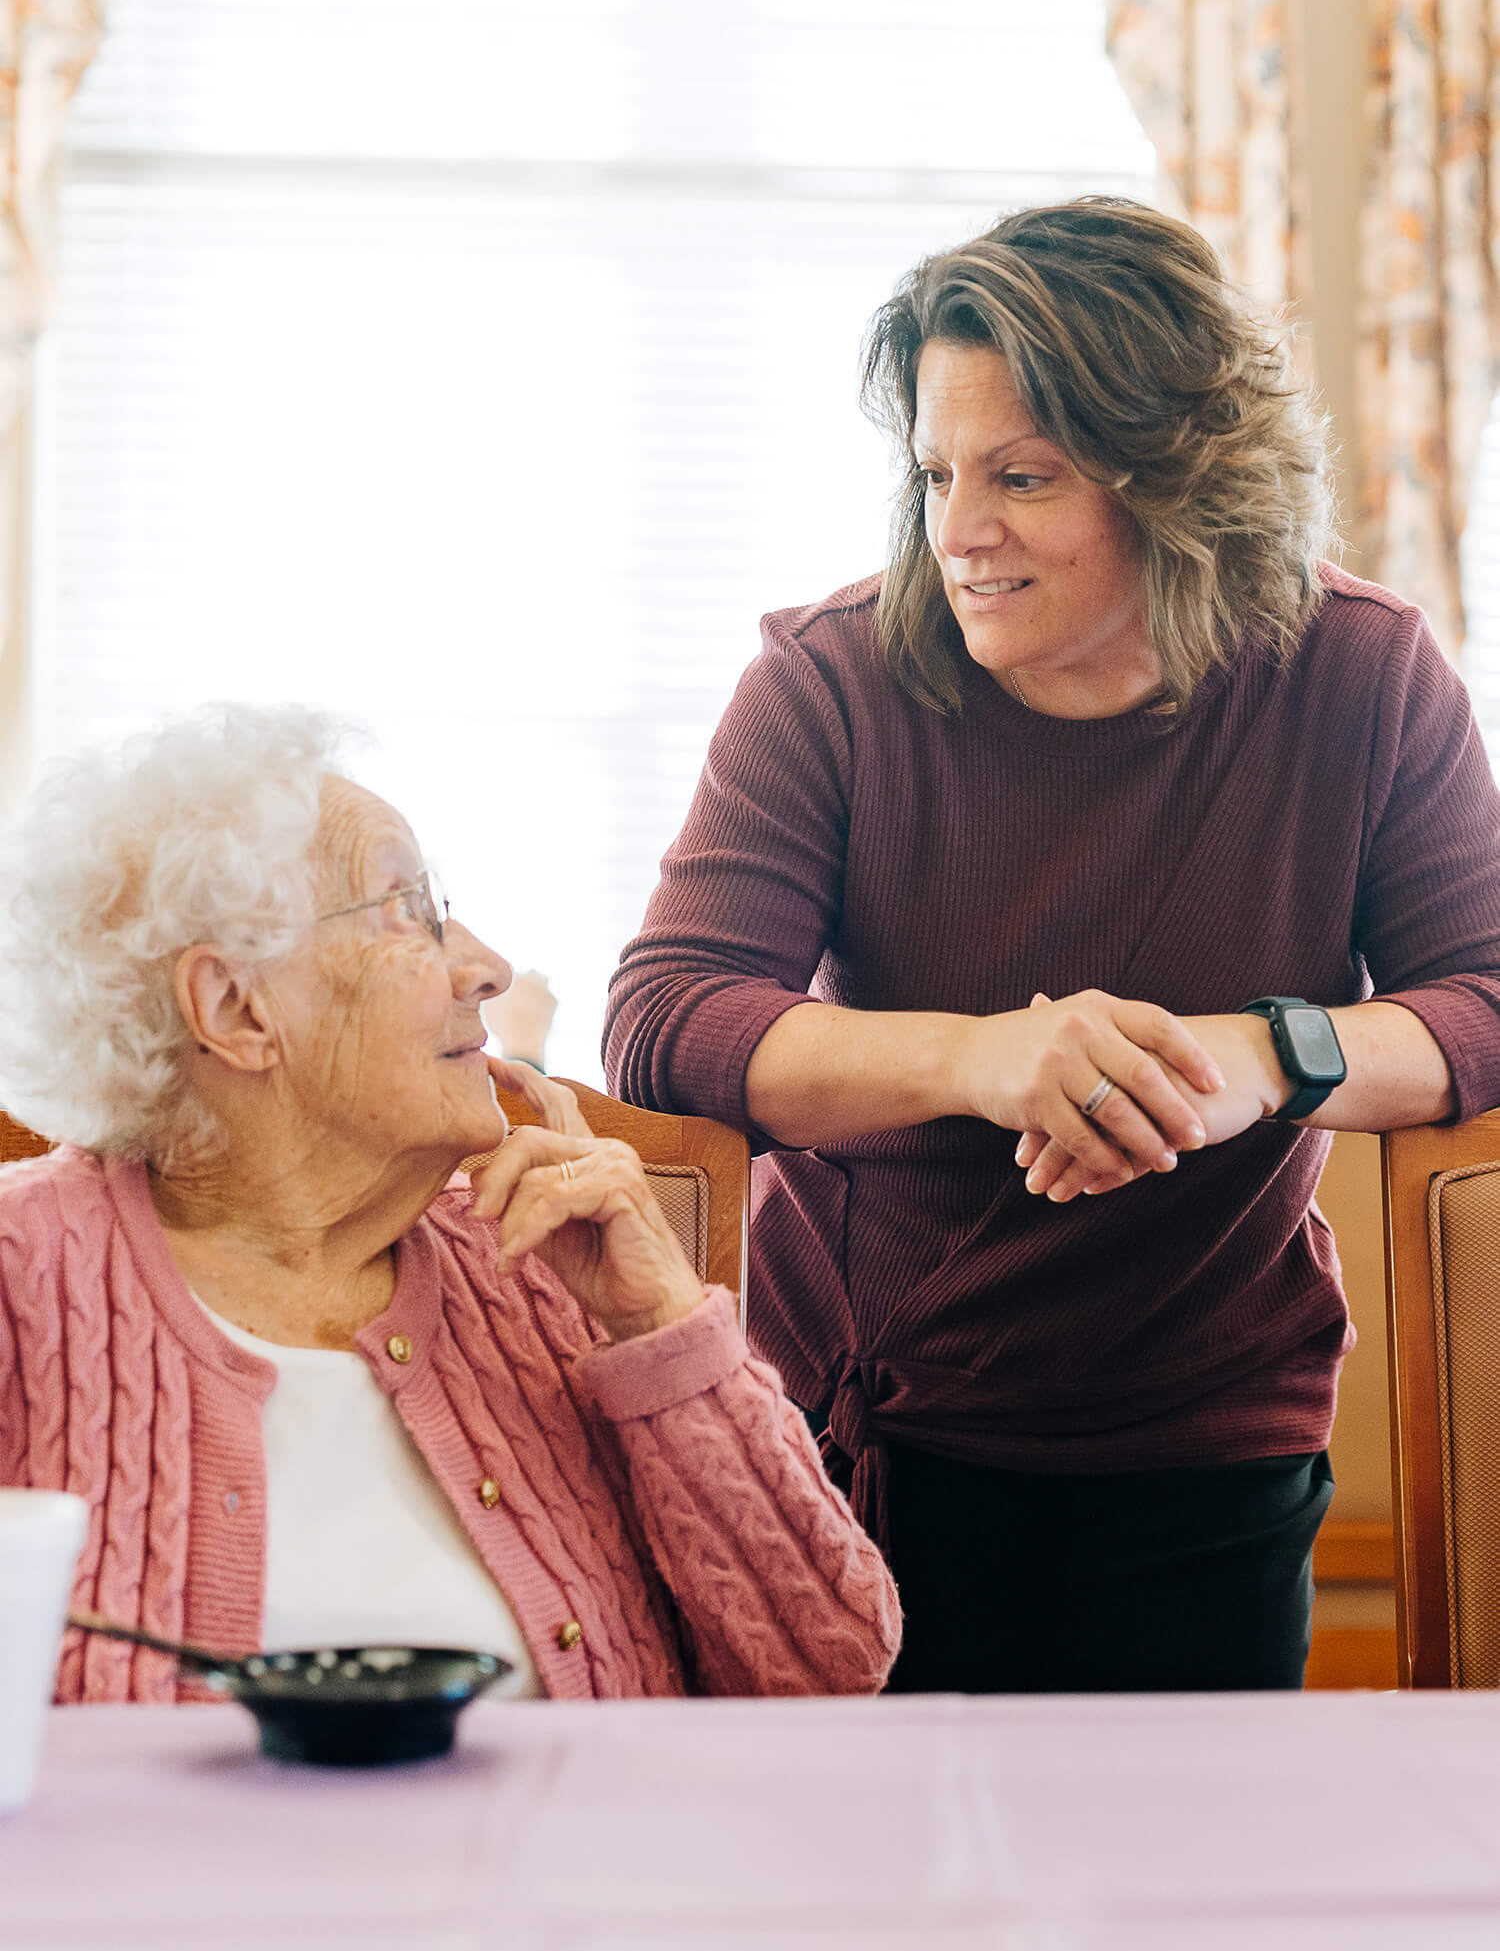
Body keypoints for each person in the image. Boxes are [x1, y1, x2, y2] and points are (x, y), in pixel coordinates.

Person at [605, 196, 1500, 1696]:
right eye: (941, 472)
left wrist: (1261, 1059)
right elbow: (669, 1016)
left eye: (1022, 475)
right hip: (857, 1441)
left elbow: (1484, 997)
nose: (961, 532)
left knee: (1175, 1917)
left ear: (1184, 481)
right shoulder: (829, 683)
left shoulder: (1362, 676)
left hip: (1206, 1450)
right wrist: (988, 1060)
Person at [0, 706, 898, 1704]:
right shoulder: (24, 1273)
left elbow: (831, 1667)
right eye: (408, 911)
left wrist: (660, 1324)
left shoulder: (538, 1262)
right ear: (236, 1009)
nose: (488, 967)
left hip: (567, 1858)